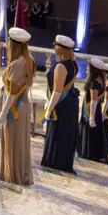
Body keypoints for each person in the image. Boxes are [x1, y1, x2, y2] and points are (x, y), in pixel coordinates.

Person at [0, 27, 36, 186]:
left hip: (15, 108)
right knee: (21, 143)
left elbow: (12, 93)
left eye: (9, 41)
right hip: (24, 106)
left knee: (13, 142)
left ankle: (13, 175)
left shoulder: (17, 64)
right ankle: (21, 172)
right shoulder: (30, 60)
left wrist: (3, 113)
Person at [40, 35, 80, 175]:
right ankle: (62, 161)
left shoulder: (61, 66)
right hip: (70, 103)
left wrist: (49, 110)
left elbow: (57, 91)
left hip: (61, 105)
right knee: (65, 134)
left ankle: (55, 162)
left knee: (58, 133)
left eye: (55, 46)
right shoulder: (73, 63)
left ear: (60, 49)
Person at [77, 57, 108, 164]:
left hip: (91, 111)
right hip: (97, 110)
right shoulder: (101, 79)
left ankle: (87, 152)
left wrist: (91, 118)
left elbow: (93, 101)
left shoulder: (94, 83)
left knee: (88, 130)